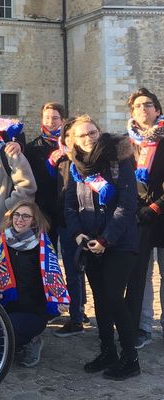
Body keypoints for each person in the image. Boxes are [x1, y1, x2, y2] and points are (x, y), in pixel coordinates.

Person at [65, 115, 140, 380]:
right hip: (90, 242)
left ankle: (130, 358)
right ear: (74, 139)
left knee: (112, 297)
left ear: (99, 132)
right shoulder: (74, 167)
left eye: (92, 133)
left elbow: (127, 205)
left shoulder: (118, 160)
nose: (88, 138)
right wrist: (77, 234)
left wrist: (106, 239)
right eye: (82, 135)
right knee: (100, 300)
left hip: (119, 243)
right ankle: (108, 350)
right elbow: (71, 205)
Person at [0, 201, 69, 368]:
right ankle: (14, 341)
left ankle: (30, 340)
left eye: (25, 216)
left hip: (33, 310)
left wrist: (57, 301)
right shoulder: (1, 243)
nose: (19, 219)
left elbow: (54, 279)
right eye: (16, 215)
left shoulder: (42, 247)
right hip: (7, 305)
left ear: (34, 221)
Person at [124, 88, 164, 349]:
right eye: (138, 106)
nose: (143, 109)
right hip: (139, 216)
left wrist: (157, 205)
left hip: (160, 210)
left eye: (148, 105)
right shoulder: (126, 143)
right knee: (140, 275)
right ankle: (143, 326)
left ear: (157, 110)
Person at [52, 118, 90, 337]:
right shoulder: (61, 160)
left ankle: (76, 319)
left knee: (75, 272)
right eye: (66, 135)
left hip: (76, 224)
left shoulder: (83, 161)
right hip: (62, 222)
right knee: (73, 271)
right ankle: (78, 312)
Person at [24, 102, 66, 244]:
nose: (50, 122)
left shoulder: (70, 144)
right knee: (48, 248)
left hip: (67, 204)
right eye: (47, 118)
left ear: (62, 120)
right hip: (44, 205)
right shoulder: (32, 147)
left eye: (55, 118)